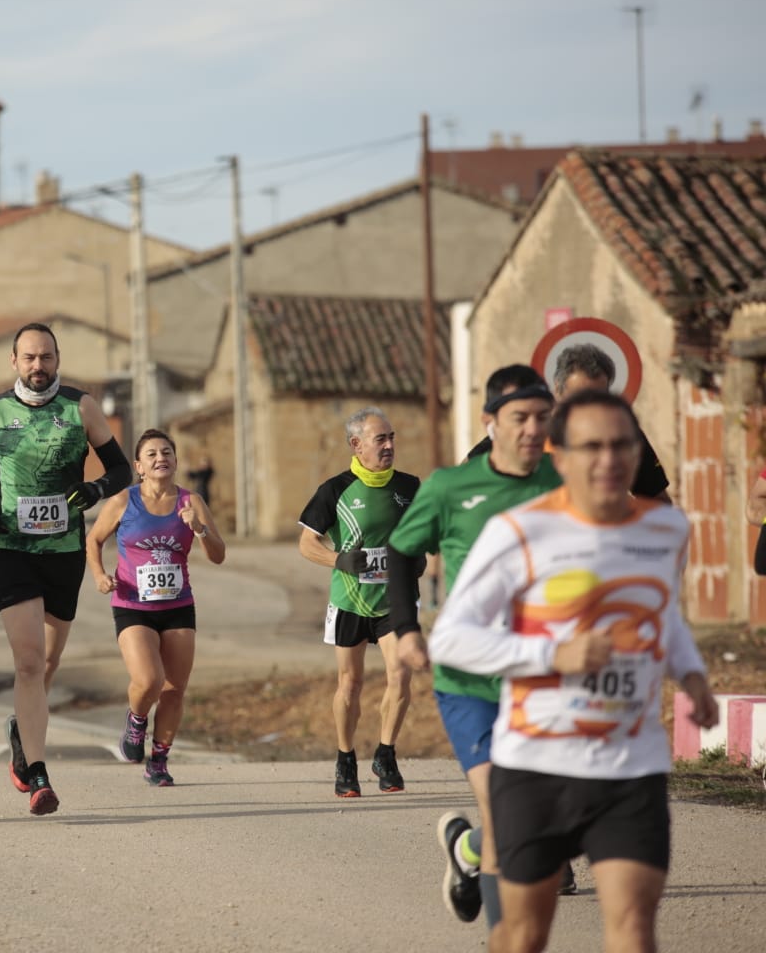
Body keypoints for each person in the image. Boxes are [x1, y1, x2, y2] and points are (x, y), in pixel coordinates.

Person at [429, 388, 718, 953]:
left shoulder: (665, 530)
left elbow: (659, 611)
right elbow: (452, 636)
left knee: (634, 932)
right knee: (522, 936)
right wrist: (549, 656)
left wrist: (692, 673)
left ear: (638, 453)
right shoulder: (520, 531)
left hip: (630, 768)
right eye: (591, 447)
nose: (608, 460)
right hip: (536, 766)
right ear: (560, 456)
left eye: (621, 445)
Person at [385, 365, 560, 931]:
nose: (533, 429)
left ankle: (467, 852)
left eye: (542, 418)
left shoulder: (566, 482)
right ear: (491, 422)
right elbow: (399, 553)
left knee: (535, 814)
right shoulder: (449, 487)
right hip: (470, 679)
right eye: (520, 418)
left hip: (545, 676)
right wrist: (407, 627)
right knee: (507, 805)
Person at [0, 322, 132, 816]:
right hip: (11, 549)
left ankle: (19, 731)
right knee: (28, 662)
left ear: (57, 359)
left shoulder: (81, 407)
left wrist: (94, 491)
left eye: (46, 357)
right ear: (14, 361)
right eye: (29, 358)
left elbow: (121, 469)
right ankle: (37, 774)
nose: (38, 366)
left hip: (65, 551)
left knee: (47, 666)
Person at [85, 429, 226, 787]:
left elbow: (219, 555)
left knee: (174, 689)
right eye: (151, 454)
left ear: (176, 461)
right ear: (139, 466)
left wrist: (200, 530)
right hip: (133, 603)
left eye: (167, 452)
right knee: (148, 680)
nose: (160, 457)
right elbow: (94, 539)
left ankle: (159, 760)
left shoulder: (192, 502)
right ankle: (136, 722)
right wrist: (100, 575)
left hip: (178, 605)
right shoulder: (123, 501)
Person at [297, 407, 421, 797]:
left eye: (391, 437)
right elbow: (305, 544)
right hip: (350, 600)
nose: (388, 445)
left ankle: (385, 753)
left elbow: (426, 531)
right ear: (356, 444)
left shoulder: (410, 486)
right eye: (379, 439)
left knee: (401, 675)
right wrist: (339, 560)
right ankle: (345, 757)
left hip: (395, 601)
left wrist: (419, 555)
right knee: (350, 684)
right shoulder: (335, 490)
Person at [465, 343, 669, 500]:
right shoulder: (531, 431)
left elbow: (658, 504)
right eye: (578, 397)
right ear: (558, 391)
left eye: (598, 397)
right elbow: (463, 480)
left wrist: (616, 512)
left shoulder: (624, 434)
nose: (588, 407)